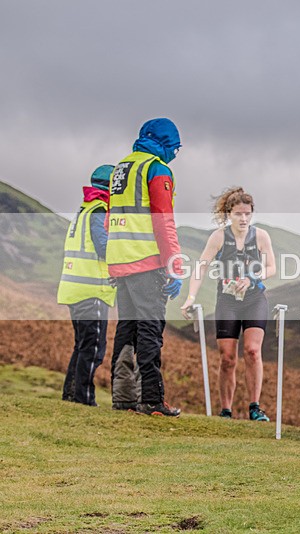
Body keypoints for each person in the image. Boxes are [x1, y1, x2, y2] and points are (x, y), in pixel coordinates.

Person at [106, 118, 184, 417]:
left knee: (127, 328)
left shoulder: (121, 169)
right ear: (165, 142)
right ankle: (151, 399)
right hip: (146, 261)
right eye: (175, 146)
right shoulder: (157, 168)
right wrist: (173, 264)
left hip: (120, 261)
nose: (176, 153)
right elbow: (163, 219)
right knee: (150, 329)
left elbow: (110, 217)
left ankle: (123, 397)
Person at [180, 187, 276, 421]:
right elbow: (200, 267)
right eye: (238, 214)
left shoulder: (261, 236)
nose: (243, 219)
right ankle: (225, 410)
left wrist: (252, 278)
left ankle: (254, 407)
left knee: (253, 351)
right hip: (227, 301)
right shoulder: (219, 237)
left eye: (247, 214)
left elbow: (272, 267)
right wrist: (190, 298)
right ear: (228, 214)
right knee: (227, 358)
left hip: (254, 299)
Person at [57, 165, 117, 406]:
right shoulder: (100, 211)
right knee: (93, 348)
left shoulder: (85, 209)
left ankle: (71, 396)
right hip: (92, 290)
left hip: (76, 289)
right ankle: (84, 399)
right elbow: (104, 248)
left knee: (82, 345)